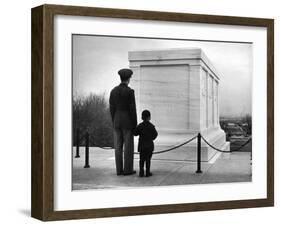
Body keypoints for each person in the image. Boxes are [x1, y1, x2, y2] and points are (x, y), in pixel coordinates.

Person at [109, 68, 137, 176]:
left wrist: (114, 120)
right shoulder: (130, 92)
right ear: (128, 79)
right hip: (127, 121)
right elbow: (132, 109)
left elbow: (111, 108)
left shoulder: (113, 91)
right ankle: (128, 170)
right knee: (128, 147)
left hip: (116, 120)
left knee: (118, 147)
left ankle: (119, 170)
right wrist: (134, 125)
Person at [134, 110, 158, 177]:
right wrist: (151, 139)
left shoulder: (140, 126)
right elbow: (155, 134)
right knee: (148, 160)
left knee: (141, 159)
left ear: (142, 117)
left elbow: (135, 133)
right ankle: (147, 172)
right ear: (149, 117)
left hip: (142, 146)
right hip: (149, 146)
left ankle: (141, 172)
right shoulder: (151, 126)